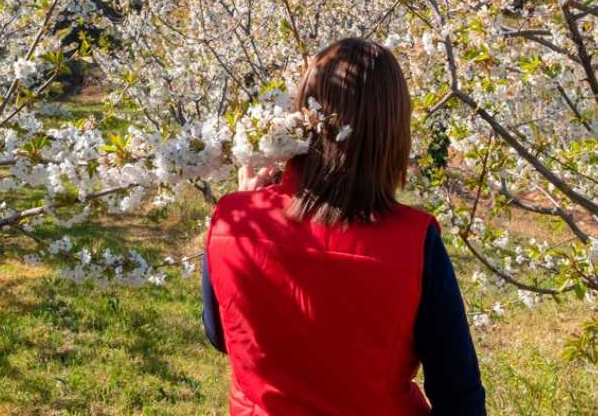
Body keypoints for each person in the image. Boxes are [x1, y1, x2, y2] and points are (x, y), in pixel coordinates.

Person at [201, 38, 486, 416]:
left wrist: (244, 209)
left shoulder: (231, 219)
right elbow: (458, 396)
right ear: (391, 133)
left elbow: (222, 334)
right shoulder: (416, 244)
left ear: (302, 118)